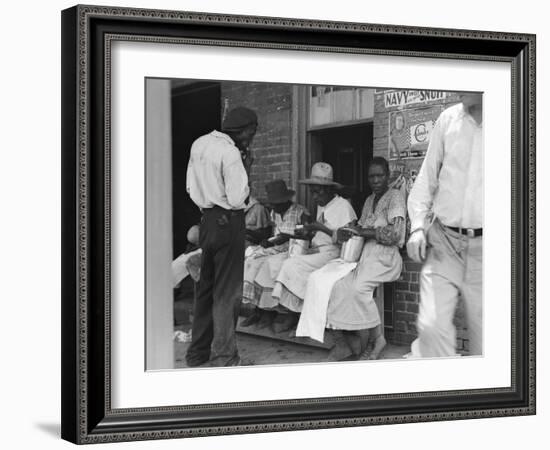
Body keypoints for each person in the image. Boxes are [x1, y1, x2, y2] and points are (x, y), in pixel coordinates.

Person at [296, 157, 406, 360]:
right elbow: (359, 229)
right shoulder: (369, 200)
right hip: (363, 254)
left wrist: (364, 232)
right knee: (333, 283)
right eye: (371, 176)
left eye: (379, 175)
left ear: (387, 175)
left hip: (385, 257)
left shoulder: (395, 197)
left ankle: (377, 339)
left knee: (358, 288)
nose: (375, 180)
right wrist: (348, 232)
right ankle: (345, 341)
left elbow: (396, 234)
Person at [406, 93, 483, 358]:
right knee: (431, 327)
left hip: (490, 251)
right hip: (445, 242)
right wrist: (417, 227)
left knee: (490, 344)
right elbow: (426, 179)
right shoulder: (448, 119)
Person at [185, 106, 257, 367]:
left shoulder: (199, 144)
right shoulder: (230, 152)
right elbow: (238, 198)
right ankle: (225, 358)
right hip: (229, 222)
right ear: (249, 129)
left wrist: (210, 208)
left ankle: (197, 354)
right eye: (252, 133)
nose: (251, 138)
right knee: (227, 294)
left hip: (207, 221)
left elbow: (191, 188)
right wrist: (247, 168)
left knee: (205, 289)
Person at [269, 162, 357, 333]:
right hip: (319, 250)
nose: (315, 197)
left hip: (335, 254)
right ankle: (292, 313)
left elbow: (348, 238)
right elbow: (319, 235)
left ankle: (296, 315)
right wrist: (308, 232)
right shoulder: (322, 205)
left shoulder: (343, 206)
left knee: (291, 265)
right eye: (313, 192)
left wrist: (319, 227)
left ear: (330, 190)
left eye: (319, 192)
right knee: (284, 261)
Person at [241, 179, 310, 327]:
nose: (272, 207)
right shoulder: (274, 213)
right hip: (277, 249)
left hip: (294, 251)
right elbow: (273, 234)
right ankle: (257, 310)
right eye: (272, 203)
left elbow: (308, 237)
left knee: (268, 265)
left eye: (275, 203)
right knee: (251, 261)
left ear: (285, 200)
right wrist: (267, 241)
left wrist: (288, 237)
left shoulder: (300, 212)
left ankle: (272, 312)